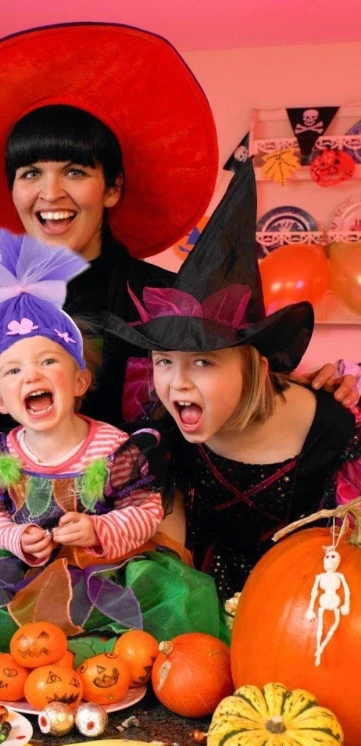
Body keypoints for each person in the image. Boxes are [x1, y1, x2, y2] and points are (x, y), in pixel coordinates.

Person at [0, 22, 357, 437]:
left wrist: (310, 392)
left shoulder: (165, 299)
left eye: (74, 172)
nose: (50, 193)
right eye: (30, 174)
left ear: (112, 189)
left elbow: (237, 394)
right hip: (4, 493)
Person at [0, 230, 222, 662]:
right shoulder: (0, 455)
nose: (32, 376)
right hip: (18, 574)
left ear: (80, 380)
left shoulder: (113, 448)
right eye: (13, 370)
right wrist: (16, 537)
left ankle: (94, 652)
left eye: (48, 362)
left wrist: (100, 531)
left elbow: (146, 511)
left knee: (158, 594)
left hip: (101, 572)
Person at [94, 163, 361, 603]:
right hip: (207, 593)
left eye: (203, 362)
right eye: (164, 361)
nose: (178, 383)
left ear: (252, 364)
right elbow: (169, 536)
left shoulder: (333, 430)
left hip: (305, 599)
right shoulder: (165, 431)